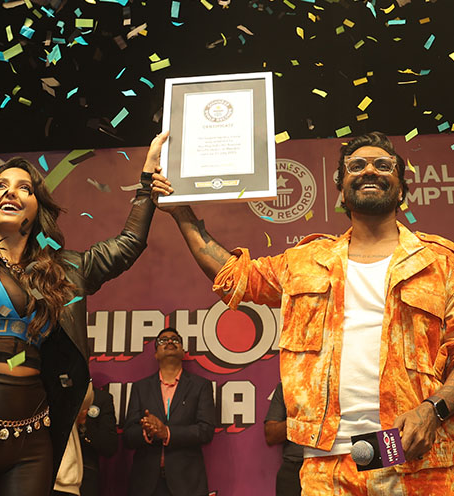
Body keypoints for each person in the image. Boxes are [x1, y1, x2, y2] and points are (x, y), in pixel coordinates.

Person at [161, 130, 454, 494]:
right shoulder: (305, 261)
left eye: (383, 165)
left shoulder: (441, 262)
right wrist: (180, 211)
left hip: (415, 461)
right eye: (356, 165)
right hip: (324, 466)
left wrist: (433, 410)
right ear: (340, 186)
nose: (369, 171)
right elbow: (233, 276)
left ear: (401, 186)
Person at [0, 133, 170, 496]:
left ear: (38, 207)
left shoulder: (64, 270)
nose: (10, 192)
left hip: (31, 443)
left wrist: (148, 182)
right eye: (1, 185)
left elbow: (127, 245)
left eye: (24, 188)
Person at [123, 327, 215, 496]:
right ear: (156, 354)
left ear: (183, 352)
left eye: (175, 339)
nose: (170, 341)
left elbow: (206, 430)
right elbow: (128, 435)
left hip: (187, 483)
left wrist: (167, 433)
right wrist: (148, 432)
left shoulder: (201, 386)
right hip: (146, 483)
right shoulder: (140, 387)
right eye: (163, 341)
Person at [265, 381, 303, 496]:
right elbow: (271, 435)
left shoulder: (343, 386)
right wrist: (302, 416)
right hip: (294, 467)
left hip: (334, 465)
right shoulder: (288, 386)